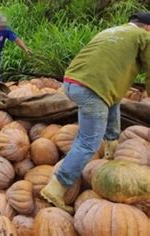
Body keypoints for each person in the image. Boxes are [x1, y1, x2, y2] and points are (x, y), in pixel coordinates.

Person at [41, 11, 150, 213]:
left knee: (104, 113)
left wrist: (112, 137)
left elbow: (113, 100)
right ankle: (56, 188)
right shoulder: (145, 36)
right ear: (147, 27)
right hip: (92, 89)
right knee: (89, 141)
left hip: (73, 82)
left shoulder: (113, 32)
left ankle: (110, 149)